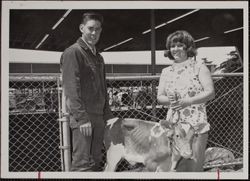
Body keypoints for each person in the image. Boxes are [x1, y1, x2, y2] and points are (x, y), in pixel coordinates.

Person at [60, 12, 114, 171]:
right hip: (84, 118)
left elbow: (103, 89)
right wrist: (82, 118)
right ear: (81, 28)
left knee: (95, 162)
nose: (94, 33)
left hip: (99, 118)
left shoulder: (99, 57)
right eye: (90, 28)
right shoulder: (73, 52)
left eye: (97, 29)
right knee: (82, 165)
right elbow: (71, 89)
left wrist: (108, 116)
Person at [157, 30, 215, 172]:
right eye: (172, 45)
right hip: (174, 128)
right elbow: (160, 97)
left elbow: (210, 92)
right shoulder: (166, 71)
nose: (175, 49)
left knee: (194, 166)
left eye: (179, 45)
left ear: (188, 47)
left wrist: (188, 101)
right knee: (174, 167)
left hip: (196, 126)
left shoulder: (200, 67)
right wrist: (171, 102)